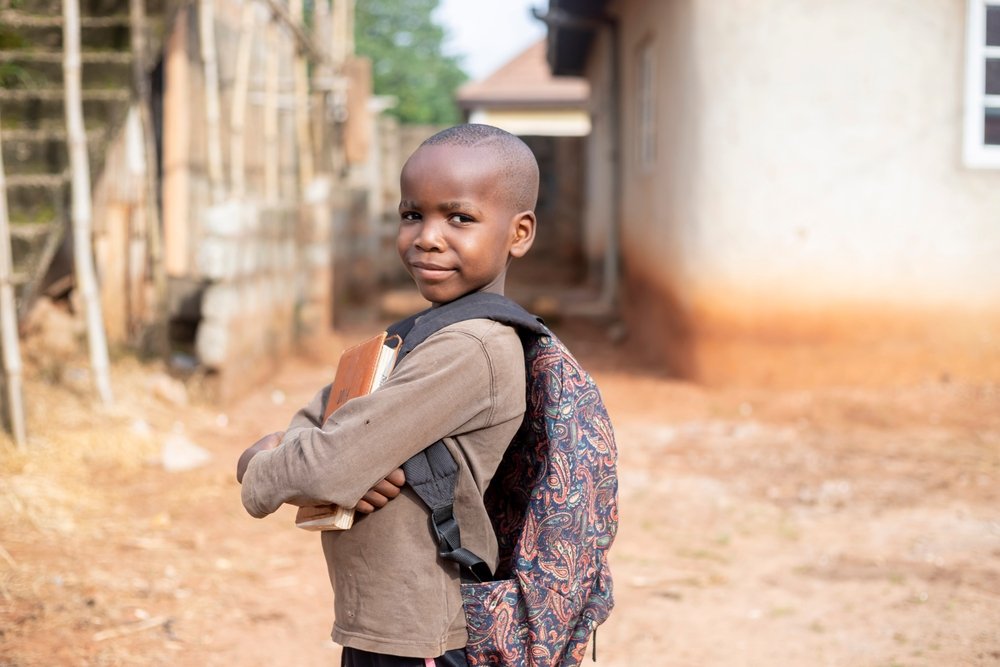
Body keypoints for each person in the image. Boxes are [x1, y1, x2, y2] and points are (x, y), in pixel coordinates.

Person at [237, 123, 538, 666]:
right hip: (382, 622)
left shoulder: (474, 347)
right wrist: (335, 462)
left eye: (460, 218)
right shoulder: (425, 332)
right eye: (411, 215)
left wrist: (262, 462)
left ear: (518, 233)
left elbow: (328, 462)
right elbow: (323, 421)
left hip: (426, 634)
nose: (427, 236)